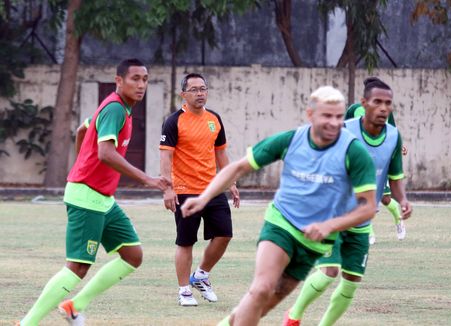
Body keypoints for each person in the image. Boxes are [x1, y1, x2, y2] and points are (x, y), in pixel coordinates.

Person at [180, 85, 378, 326]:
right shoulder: (292, 140)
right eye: (327, 115)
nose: (334, 122)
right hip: (281, 224)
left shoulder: (354, 151)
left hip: (314, 242)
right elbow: (239, 167)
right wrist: (204, 197)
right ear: (310, 115)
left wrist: (329, 226)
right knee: (261, 289)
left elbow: (367, 207)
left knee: (260, 306)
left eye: (338, 116)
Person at [17, 58, 169, 326]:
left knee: (132, 256)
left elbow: (83, 129)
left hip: (103, 199)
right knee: (77, 267)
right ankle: (27, 323)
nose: (141, 84)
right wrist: (147, 179)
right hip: (87, 196)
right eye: (135, 78)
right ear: (119, 81)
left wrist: (81, 162)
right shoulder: (115, 109)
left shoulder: (120, 107)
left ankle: (74, 306)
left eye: (145, 79)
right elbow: (105, 152)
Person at [283, 77, 412, 326]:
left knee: (352, 280)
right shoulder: (344, 130)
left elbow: (395, 176)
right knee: (329, 272)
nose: (383, 107)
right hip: (332, 213)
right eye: (377, 102)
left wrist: (403, 199)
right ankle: (293, 317)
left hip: (363, 219)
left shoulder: (394, 137)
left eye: (388, 103)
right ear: (364, 103)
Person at [159, 73, 240, 306]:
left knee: (224, 235)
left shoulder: (214, 119)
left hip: (212, 190)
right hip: (185, 190)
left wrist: (231, 181)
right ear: (183, 94)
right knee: (186, 241)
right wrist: (168, 188)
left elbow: (221, 153)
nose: (200, 93)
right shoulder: (173, 121)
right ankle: (184, 290)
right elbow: (166, 157)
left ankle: (201, 275)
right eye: (194, 89)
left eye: (203, 88)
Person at [345, 92, 408, 243]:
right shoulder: (353, 110)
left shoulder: (385, 113)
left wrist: (399, 148)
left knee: (385, 199)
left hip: (379, 162)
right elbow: (344, 132)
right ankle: (368, 232)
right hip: (360, 165)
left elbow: (391, 134)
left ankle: (398, 220)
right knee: (362, 198)